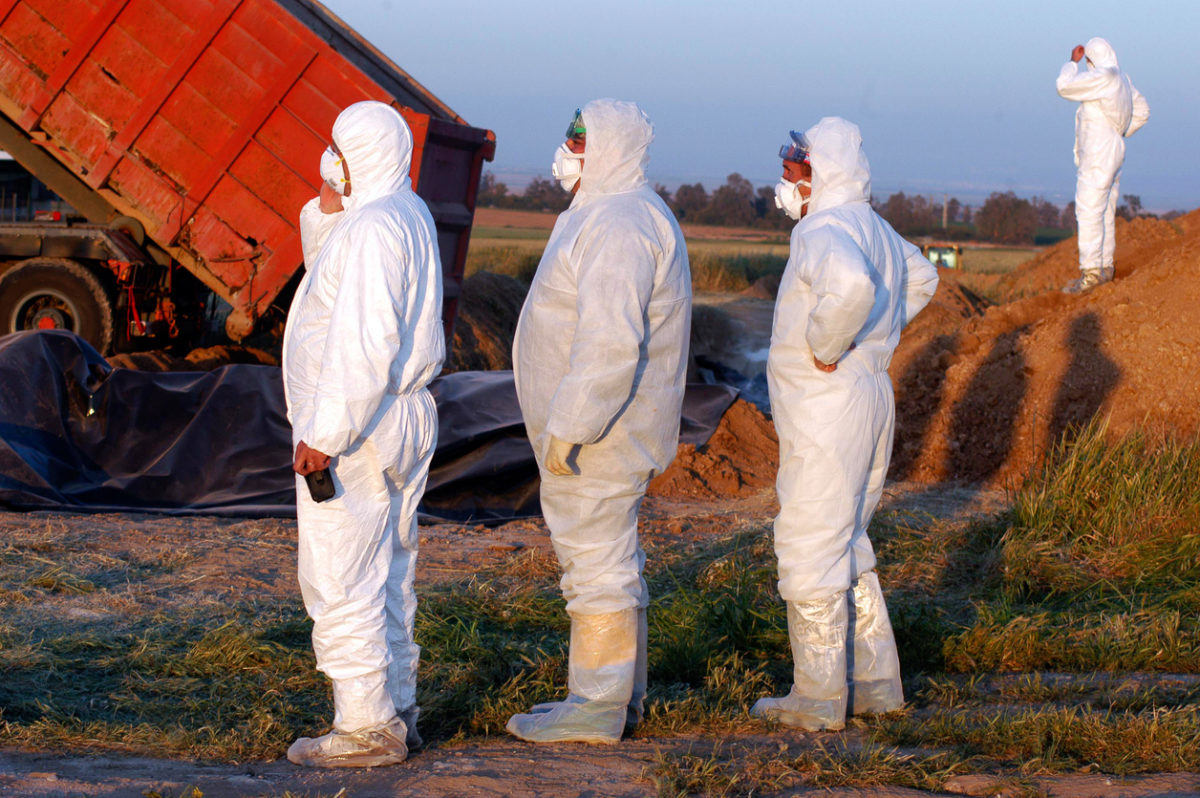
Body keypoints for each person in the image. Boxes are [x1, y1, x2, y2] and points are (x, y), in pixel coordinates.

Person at [505, 99, 691, 744]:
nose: (569, 151)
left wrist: (572, 423)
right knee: (609, 556)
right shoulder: (609, 212)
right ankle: (616, 698)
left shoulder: (619, 222)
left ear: (611, 147)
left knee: (596, 561)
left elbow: (610, 339)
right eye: (571, 136)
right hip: (603, 425)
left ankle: (596, 705)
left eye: (582, 140)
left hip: (602, 432)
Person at [754, 117, 938, 731]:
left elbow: (853, 286)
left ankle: (817, 697)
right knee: (848, 538)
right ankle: (875, 684)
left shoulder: (823, 228)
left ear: (821, 174)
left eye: (792, 172)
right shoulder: (872, 225)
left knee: (810, 539)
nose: (784, 184)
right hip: (870, 391)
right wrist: (877, 338)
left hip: (828, 401)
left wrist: (830, 344)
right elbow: (923, 276)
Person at [281, 100, 444, 768]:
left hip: (361, 427)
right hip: (396, 418)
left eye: (340, 150)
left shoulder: (375, 227)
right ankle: (396, 711)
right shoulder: (401, 210)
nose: (332, 161)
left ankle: (365, 729)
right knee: (389, 571)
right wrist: (329, 202)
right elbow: (332, 278)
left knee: (342, 573)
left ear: (364, 155)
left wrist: (326, 431)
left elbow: (364, 340)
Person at [1056, 37, 1149, 294]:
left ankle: (1091, 274)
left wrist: (1071, 63)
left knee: (1088, 210)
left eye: (1088, 60)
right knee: (1105, 210)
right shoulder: (1123, 80)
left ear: (1092, 59)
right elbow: (1143, 111)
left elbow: (1064, 86)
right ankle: (1105, 268)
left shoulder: (1104, 77)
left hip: (1098, 153)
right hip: (1114, 150)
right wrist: (1119, 130)